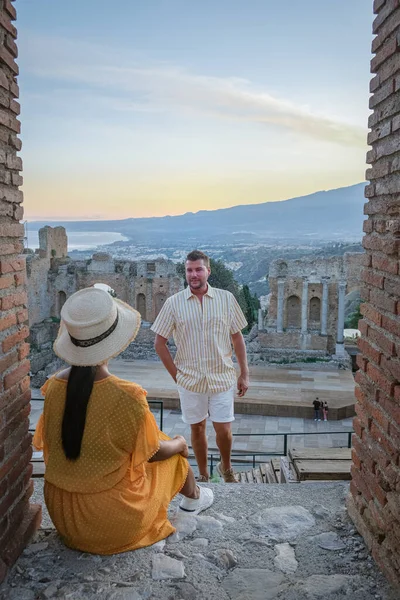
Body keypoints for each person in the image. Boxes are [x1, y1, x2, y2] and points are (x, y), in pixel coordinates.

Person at [33, 287, 213, 555]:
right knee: (171, 450)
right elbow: (153, 453)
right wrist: (180, 444)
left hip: (64, 515)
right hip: (112, 521)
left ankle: (192, 492)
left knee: (148, 440)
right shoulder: (126, 395)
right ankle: (194, 497)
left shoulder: (53, 388)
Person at [151, 249, 249, 483]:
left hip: (221, 376)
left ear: (208, 271)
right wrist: (177, 376)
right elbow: (159, 343)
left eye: (198, 269)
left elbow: (237, 338)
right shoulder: (174, 303)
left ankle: (226, 468)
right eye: (189, 270)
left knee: (224, 430)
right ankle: (204, 474)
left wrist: (244, 373)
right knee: (197, 429)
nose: (193, 274)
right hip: (190, 380)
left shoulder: (226, 299)